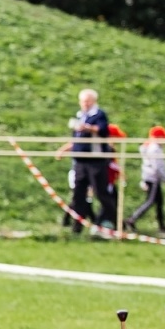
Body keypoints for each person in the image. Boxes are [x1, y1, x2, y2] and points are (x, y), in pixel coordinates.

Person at [63, 89, 112, 232]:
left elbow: (103, 131)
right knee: (78, 194)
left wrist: (87, 128)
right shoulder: (80, 116)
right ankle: (77, 227)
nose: (85, 104)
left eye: (87, 101)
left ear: (93, 101)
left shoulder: (99, 115)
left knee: (100, 192)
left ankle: (112, 219)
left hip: (95, 159)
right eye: (83, 101)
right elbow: (75, 138)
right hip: (80, 160)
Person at [127, 126, 165, 234]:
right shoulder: (155, 149)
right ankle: (132, 219)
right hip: (153, 179)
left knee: (159, 202)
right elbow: (157, 167)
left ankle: (161, 225)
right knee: (151, 201)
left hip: (149, 177)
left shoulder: (149, 147)